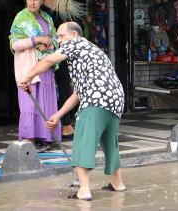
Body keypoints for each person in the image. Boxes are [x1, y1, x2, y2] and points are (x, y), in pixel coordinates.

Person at [19, 22, 126, 201]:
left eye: (61, 36)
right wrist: (58, 115)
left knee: (82, 142)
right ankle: (118, 184)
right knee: (110, 143)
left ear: (75, 35)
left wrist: (28, 77)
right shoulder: (91, 51)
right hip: (115, 99)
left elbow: (48, 60)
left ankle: (84, 190)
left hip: (96, 99)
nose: (59, 41)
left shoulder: (76, 44)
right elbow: (77, 93)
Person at [9, 0, 61, 151]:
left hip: (45, 67)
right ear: (26, 0)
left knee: (46, 102)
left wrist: (49, 44)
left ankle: (45, 138)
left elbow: (56, 39)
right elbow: (15, 44)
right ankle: (29, 140)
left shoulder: (47, 18)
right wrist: (36, 40)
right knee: (29, 104)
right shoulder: (21, 18)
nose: (32, 2)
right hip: (29, 67)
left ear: (42, 1)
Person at [42, 0, 85, 140]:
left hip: (61, 55)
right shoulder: (62, 11)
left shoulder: (58, 12)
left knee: (63, 88)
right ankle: (64, 125)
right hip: (59, 54)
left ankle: (65, 125)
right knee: (63, 88)